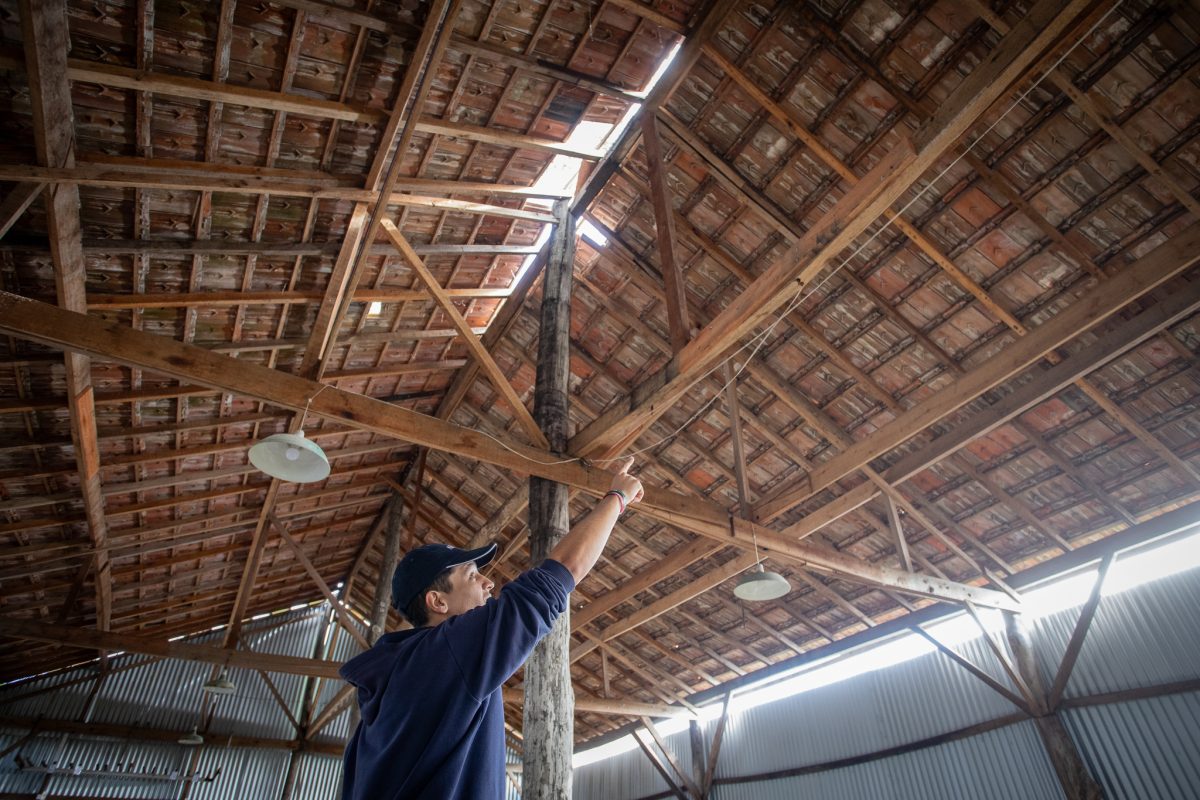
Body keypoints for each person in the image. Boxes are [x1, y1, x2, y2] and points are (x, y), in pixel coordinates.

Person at [339, 457, 645, 799]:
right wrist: (617, 497)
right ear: (437, 601)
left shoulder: (390, 688)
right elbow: (559, 575)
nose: (488, 582)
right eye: (472, 576)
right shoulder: (445, 654)